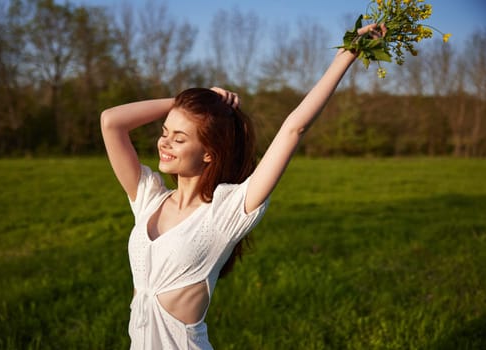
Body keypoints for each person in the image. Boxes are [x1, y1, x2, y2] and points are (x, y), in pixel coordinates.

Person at [101, 23, 385, 350]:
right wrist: (193, 104)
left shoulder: (225, 212)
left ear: (209, 153)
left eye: (179, 138)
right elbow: (111, 122)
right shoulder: (148, 198)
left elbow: (295, 128)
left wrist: (346, 55)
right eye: (165, 132)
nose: (165, 143)